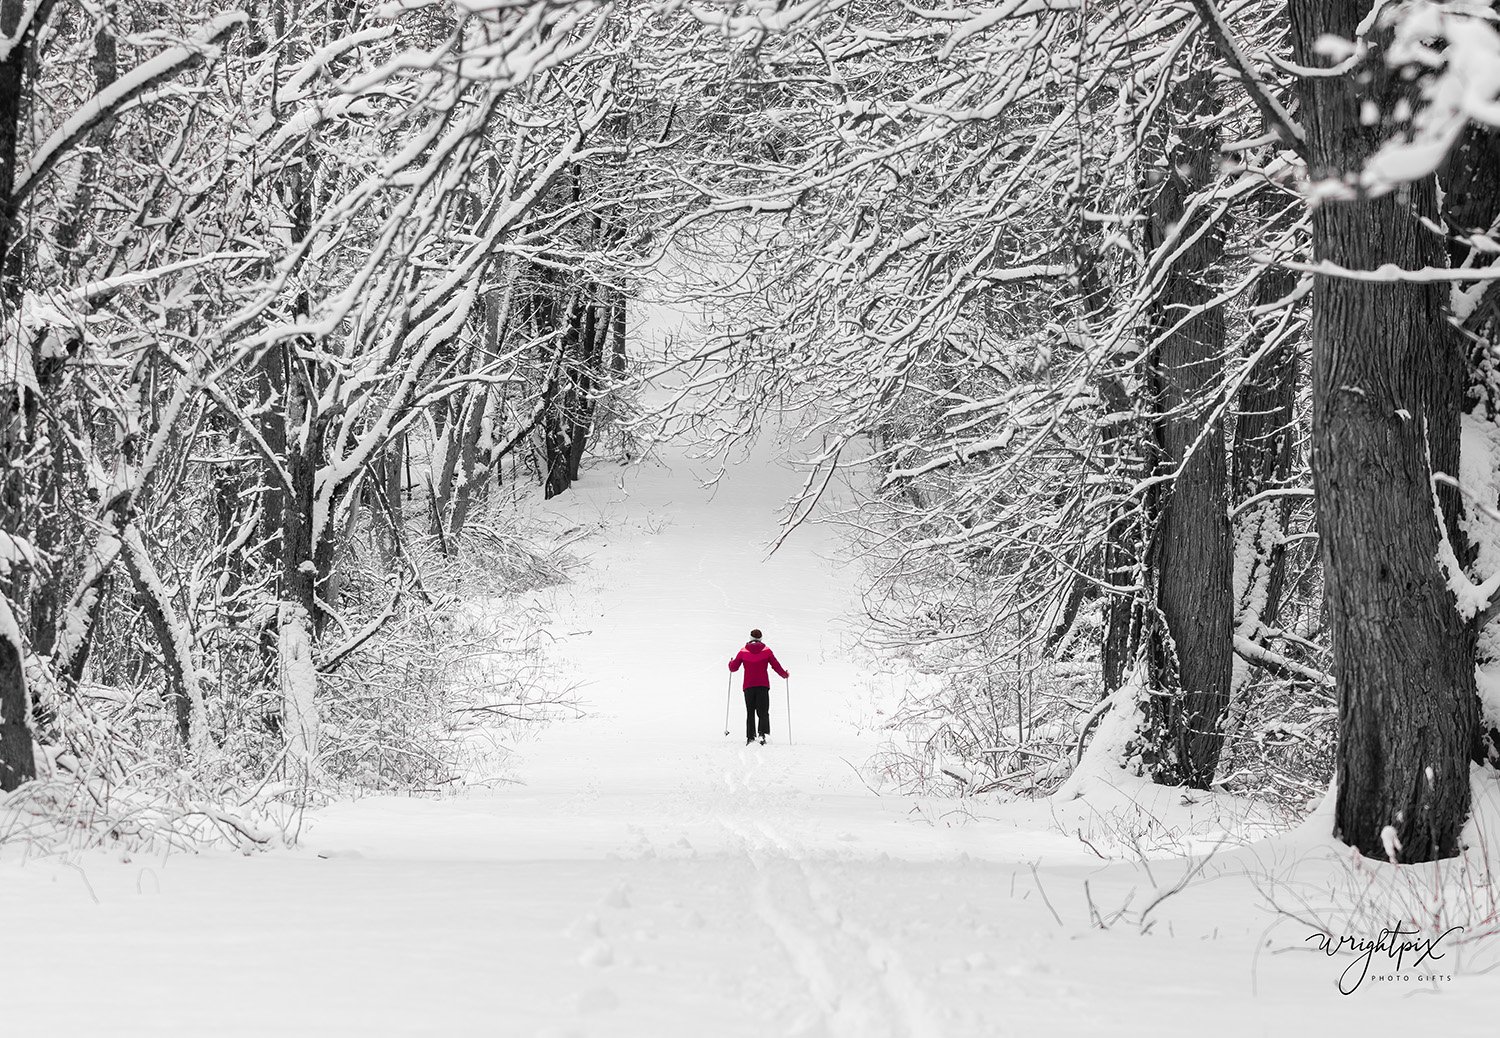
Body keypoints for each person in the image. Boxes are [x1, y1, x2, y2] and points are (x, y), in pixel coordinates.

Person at [729, 629, 789, 746]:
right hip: (763, 685)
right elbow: (775, 665)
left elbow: (733, 668)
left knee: (750, 711)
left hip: (748, 686)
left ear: (750, 638)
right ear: (761, 638)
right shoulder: (767, 651)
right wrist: (784, 674)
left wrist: (730, 663)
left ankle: (750, 737)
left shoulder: (743, 651)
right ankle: (763, 735)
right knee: (763, 712)